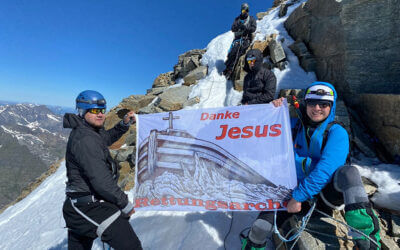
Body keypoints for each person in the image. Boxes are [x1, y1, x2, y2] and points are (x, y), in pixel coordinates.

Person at [241, 82, 380, 250]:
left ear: (331, 106)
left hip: (323, 195)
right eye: (313, 103)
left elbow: (326, 170)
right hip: (289, 192)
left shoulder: (336, 133)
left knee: (349, 173)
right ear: (306, 103)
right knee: (259, 228)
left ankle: (367, 241)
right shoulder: (292, 125)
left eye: (324, 104)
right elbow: (259, 136)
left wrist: (299, 196)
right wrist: (270, 113)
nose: (317, 108)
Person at [62, 90, 142, 250]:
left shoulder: (90, 132)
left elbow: (105, 138)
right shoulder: (85, 139)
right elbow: (101, 180)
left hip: (81, 205)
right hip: (87, 207)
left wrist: (124, 124)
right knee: (130, 246)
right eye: (94, 110)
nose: (100, 114)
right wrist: (124, 203)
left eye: (102, 110)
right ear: (82, 111)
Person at [223, 3, 257, 78]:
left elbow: (253, 28)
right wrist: (239, 27)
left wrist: (246, 29)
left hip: (246, 38)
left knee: (239, 50)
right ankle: (226, 67)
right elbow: (233, 28)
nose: (245, 12)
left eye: (246, 10)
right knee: (232, 52)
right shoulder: (237, 19)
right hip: (237, 39)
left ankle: (230, 70)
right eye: (244, 10)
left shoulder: (251, 19)